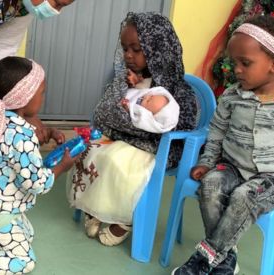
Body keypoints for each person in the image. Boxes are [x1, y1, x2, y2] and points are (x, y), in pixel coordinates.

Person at [172, 15, 274, 275]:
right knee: (211, 185)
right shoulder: (233, 96)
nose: (236, 70)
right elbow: (216, 130)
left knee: (243, 196)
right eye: (233, 62)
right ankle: (225, 258)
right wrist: (207, 161)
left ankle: (205, 259)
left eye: (245, 63)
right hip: (233, 168)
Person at [67, 12, 198, 246]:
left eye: (136, 49)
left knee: (118, 161)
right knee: (91, 152)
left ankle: (124, 218)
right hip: (125, 139)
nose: (128, 55)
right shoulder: (126, 80)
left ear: (158, 48)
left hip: (155, 149)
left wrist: (122, 123)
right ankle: (95, 209)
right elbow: (102, 113)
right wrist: (121, 87)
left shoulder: (180, 91)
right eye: (125, 48)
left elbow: (163, 131)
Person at [0, 56, 77, 275]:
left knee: (28, 234)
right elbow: (36, 183)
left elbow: (28, 131)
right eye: (41, 93)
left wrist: (50, 132)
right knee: (24, 260)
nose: (43, 96)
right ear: (25, 98)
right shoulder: (21, 137)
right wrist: (63, 166)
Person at [0, 0, 75, 216]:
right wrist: (15, 100)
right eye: (57, 2)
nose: (55, 11)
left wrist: (20, 105)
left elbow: (2, 54)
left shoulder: (26, 5)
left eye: (63, 6)